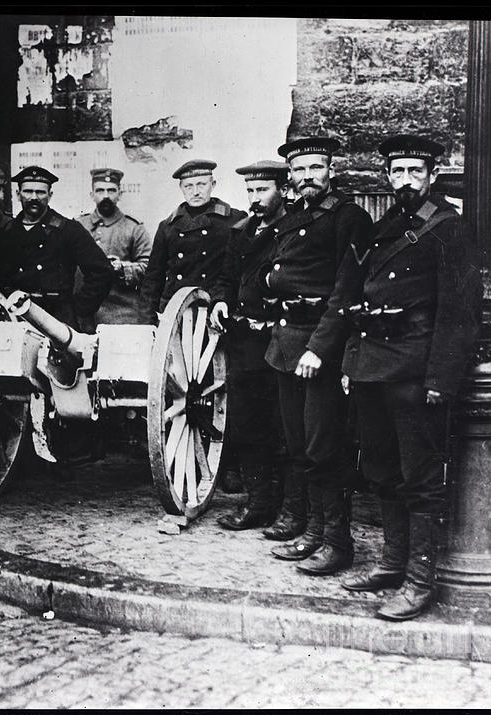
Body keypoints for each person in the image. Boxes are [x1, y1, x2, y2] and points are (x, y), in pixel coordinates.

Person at [337, 135, 477, 620]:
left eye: (416, 172)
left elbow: (459, 312)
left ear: (432, 175)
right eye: (398, 173)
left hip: (416, 369)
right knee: (380, 469)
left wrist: (441, 378)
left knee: (420, 477)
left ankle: (420, 583)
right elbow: (362, 301)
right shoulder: (386, 226)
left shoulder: (448, 229)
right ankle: (393, 565)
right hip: (374, 366)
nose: (406, 181)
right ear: (388, 177)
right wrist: (353, 365)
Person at [260, 136, 373, 575]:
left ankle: (337, 543)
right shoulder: (292, 219)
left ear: (332, 170)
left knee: (324, 445)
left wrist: (319, 349)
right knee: (298, 443)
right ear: (290, 175)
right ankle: (312, 531)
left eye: (316, 168)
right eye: (300, 170)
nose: (308, 177)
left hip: (318, 347)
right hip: (286, 343)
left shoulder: (349, 218)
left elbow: (346, 292)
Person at [209, 160, 291, 531]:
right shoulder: (240, 232)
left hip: (280, 337)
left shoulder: (294, 230)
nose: (255, 199)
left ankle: (289, 508)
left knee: (284, 425)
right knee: (247, 422)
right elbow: (226, 276)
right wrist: (221, 300)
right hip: (245, 341)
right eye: (250, 191)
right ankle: (257, 504)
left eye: (263, 190)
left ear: (282, 190)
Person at [0, 165, 113, 328]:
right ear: (17, 194)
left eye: (40, 192)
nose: (34, 197)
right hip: (15, 317)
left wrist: (77, 309)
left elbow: (101, 271)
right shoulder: (7, 232)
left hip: (56, 319)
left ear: (50, 195)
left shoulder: (68, 229)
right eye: (28, 191)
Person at [139, 159, 246, 324]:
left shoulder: (234, 220)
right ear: (181, 188)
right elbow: (153, 279)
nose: (195, 192)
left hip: (213, 311)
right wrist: (147, 323)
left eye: (201, 184)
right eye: (189, 186)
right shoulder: (168, 226)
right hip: (175, 313)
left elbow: (238, 273)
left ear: (213, 184)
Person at [76, 167, 152, 330]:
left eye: (111, 190)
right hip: (81, 313)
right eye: (100, 190)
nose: (105, 196)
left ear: (120, 194)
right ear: (92, 195)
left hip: (119, 313)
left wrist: (123, 268)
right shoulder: (78, 226)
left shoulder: (133, 228)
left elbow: (150, 268)